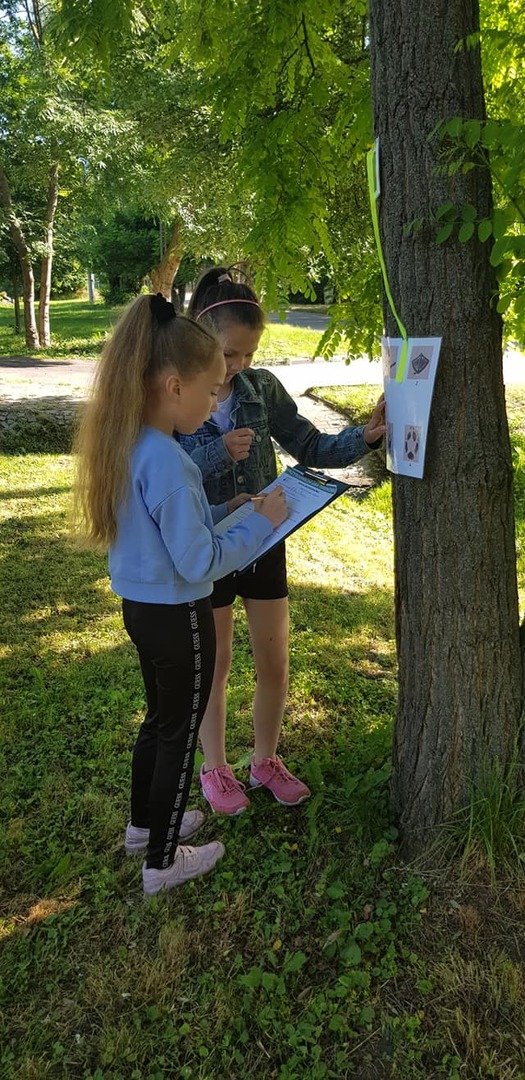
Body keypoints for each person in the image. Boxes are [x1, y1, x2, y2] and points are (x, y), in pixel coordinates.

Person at [73, 292, 288, 895]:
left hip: (143, 607)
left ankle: (145, 827)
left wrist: (228, 508)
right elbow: (199, 560)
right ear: (173, 386)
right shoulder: (169, 460)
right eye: (213, 388)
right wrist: (260, 522)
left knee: (160, 721)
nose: (218, 399)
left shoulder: (134, 445)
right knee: (178, 730)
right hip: (180, 614)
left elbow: (174, 531)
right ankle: (163, 861)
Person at [180, 266, 386, 816]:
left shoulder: (261, 388)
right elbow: (164, 479)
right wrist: (218, 451)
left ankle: (264, 760)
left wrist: (362, 438)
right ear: (201, 341)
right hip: (211, 548)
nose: (238, 366)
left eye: (247, 355)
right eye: (228, 354)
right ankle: (215, 768)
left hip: (266, 541)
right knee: (217, 665)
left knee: (274, 661)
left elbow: (309, 444)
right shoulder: (175, 394)